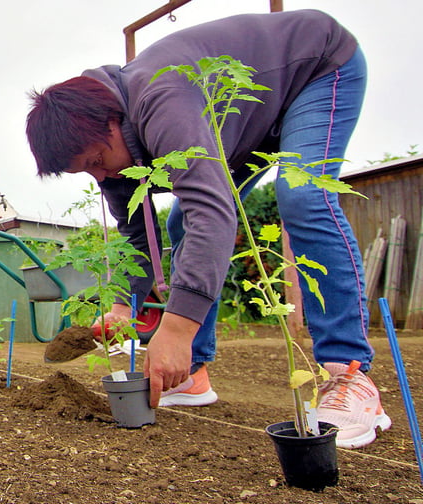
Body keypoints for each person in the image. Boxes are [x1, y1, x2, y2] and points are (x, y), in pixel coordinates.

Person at [25, 9, 390, 448]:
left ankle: (347, 373)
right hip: (249, 120)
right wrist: (125, 305)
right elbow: (139, 235)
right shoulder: (113, 158)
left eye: (96, 163)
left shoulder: (160, 100)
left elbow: (213, 213)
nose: (100, 178)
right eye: (86, 173)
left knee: (303, 195)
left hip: (315, 67)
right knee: (180, 219)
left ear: (110, 123)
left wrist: (177, 329)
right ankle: (191, 373)